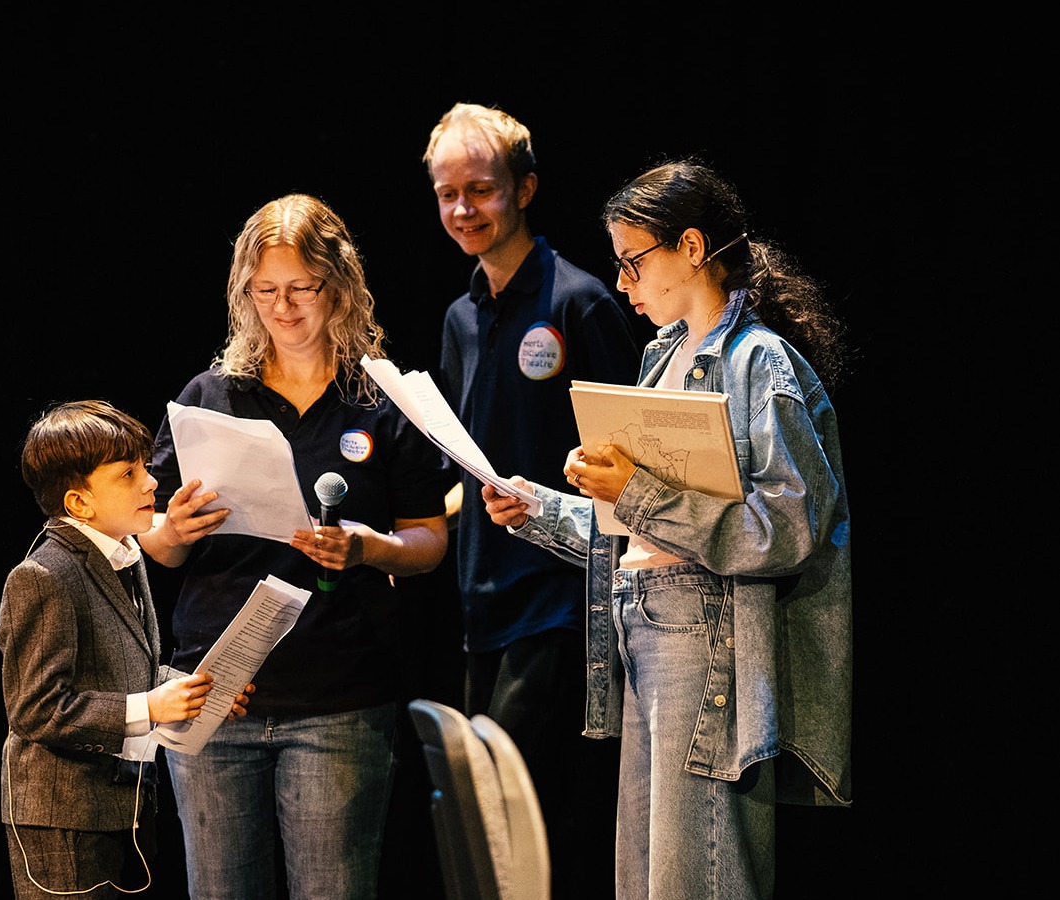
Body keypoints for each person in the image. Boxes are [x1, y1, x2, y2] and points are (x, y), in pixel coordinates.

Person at [481, 158, 854, 900]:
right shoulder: (660, 360)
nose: (623, 284)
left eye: (633, 262)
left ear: (689, 248)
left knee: (697, 876)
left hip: (705, 638)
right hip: (644, 629)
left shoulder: (757, 362)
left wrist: (640, 492)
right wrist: (542, 509)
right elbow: (637, 528)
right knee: (647, 880)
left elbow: (784, 528)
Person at [138, 193, 450, 900]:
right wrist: (173, 532)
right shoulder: (211, 395)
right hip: (217, 694)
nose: (282, 308)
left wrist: (371, 548)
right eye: (265, 291)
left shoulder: (380, 398)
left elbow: (429, 540)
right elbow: (153, 540)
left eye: (300, 289)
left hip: (338, 696)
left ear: (338, 286)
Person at [422, 100, 638, 895]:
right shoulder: (460, 317)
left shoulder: (579, 302)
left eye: (479, 190)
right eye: (448, 194)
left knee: (534, 821)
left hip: (562, 596)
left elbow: (631, 460)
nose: (462, 210)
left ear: (525, 188)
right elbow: (469, 457)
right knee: (483, 821)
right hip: (482, 595)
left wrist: (549, 504)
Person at [0, 399, 254, 900]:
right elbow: (35, 707)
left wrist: (191, 691)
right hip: (64, 821)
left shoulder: (125, 554)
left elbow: (126, 669)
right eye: (128, 474)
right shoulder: (44, 576)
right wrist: (151, 707)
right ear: (79, 503)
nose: (151, 483)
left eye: (146, 467)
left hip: (123, 809)